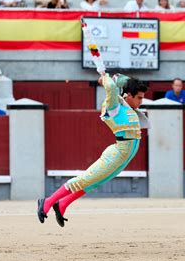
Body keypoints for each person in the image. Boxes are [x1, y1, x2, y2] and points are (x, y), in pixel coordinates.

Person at [38, 71, 149, 226]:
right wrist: (105, 77)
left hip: (125, 156)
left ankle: (62, 204)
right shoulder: (115, 106)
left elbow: (121, 80)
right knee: (85, 180)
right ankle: (48, 201)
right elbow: (110, 86)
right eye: (139, 98)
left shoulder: (127, 107)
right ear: (128, 95)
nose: (141, 102)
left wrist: (114, 77)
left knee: (93, 183)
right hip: (117, 154)